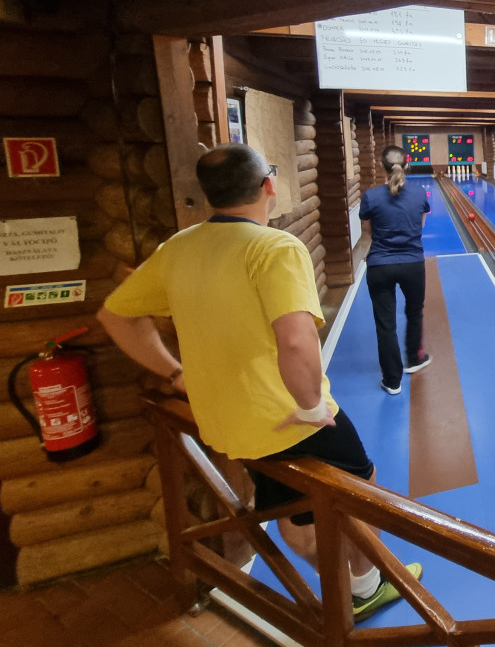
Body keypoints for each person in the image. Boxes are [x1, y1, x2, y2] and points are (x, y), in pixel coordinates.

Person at [98, 144, 419, 622]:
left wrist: (174, 373)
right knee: (364, 491)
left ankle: (341, 589)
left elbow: (115, 316)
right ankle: (367, 586)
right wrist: (311, 406)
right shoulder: (274, 248)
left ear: (209, 194)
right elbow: (296, 340)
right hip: (287, 420)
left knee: (293, 509)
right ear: (269, 185)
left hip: (225, 424)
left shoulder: (178, 247)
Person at [360, 145, 432, 394]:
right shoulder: (420, 193)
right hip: (412, 264)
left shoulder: (370, 196)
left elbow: (368, 230)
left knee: (385, 323)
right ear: (407, 165)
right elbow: (420, 226)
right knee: (414, 311)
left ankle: (392, 380)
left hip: (380, 265)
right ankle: (414, 358)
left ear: (382, 166)